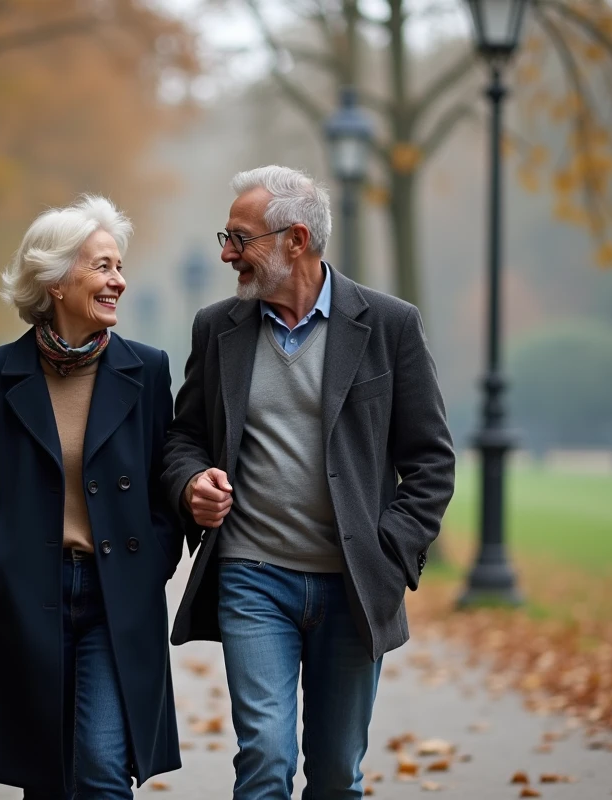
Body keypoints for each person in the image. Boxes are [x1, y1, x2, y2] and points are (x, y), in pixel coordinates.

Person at [162, 166, 455, 799]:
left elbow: (431, 460)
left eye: (240, 238)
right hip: (251, 576)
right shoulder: (218, 328)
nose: (226, 253)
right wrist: (191, 485)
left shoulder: (389, 325)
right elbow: (183, 437)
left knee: (335, 773)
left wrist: (388, 552)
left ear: (295, 240)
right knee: (265, 758)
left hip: (352, 585)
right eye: (226, 236)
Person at [0, 195, 183, 799]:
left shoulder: (147, 370)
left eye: (120, 267)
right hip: (28, 594)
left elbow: (165, 480)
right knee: (43, 775)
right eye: (102, 267)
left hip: (113, 594)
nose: (118, 281)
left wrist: (154, 557)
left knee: (100, 765)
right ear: (56, 280)